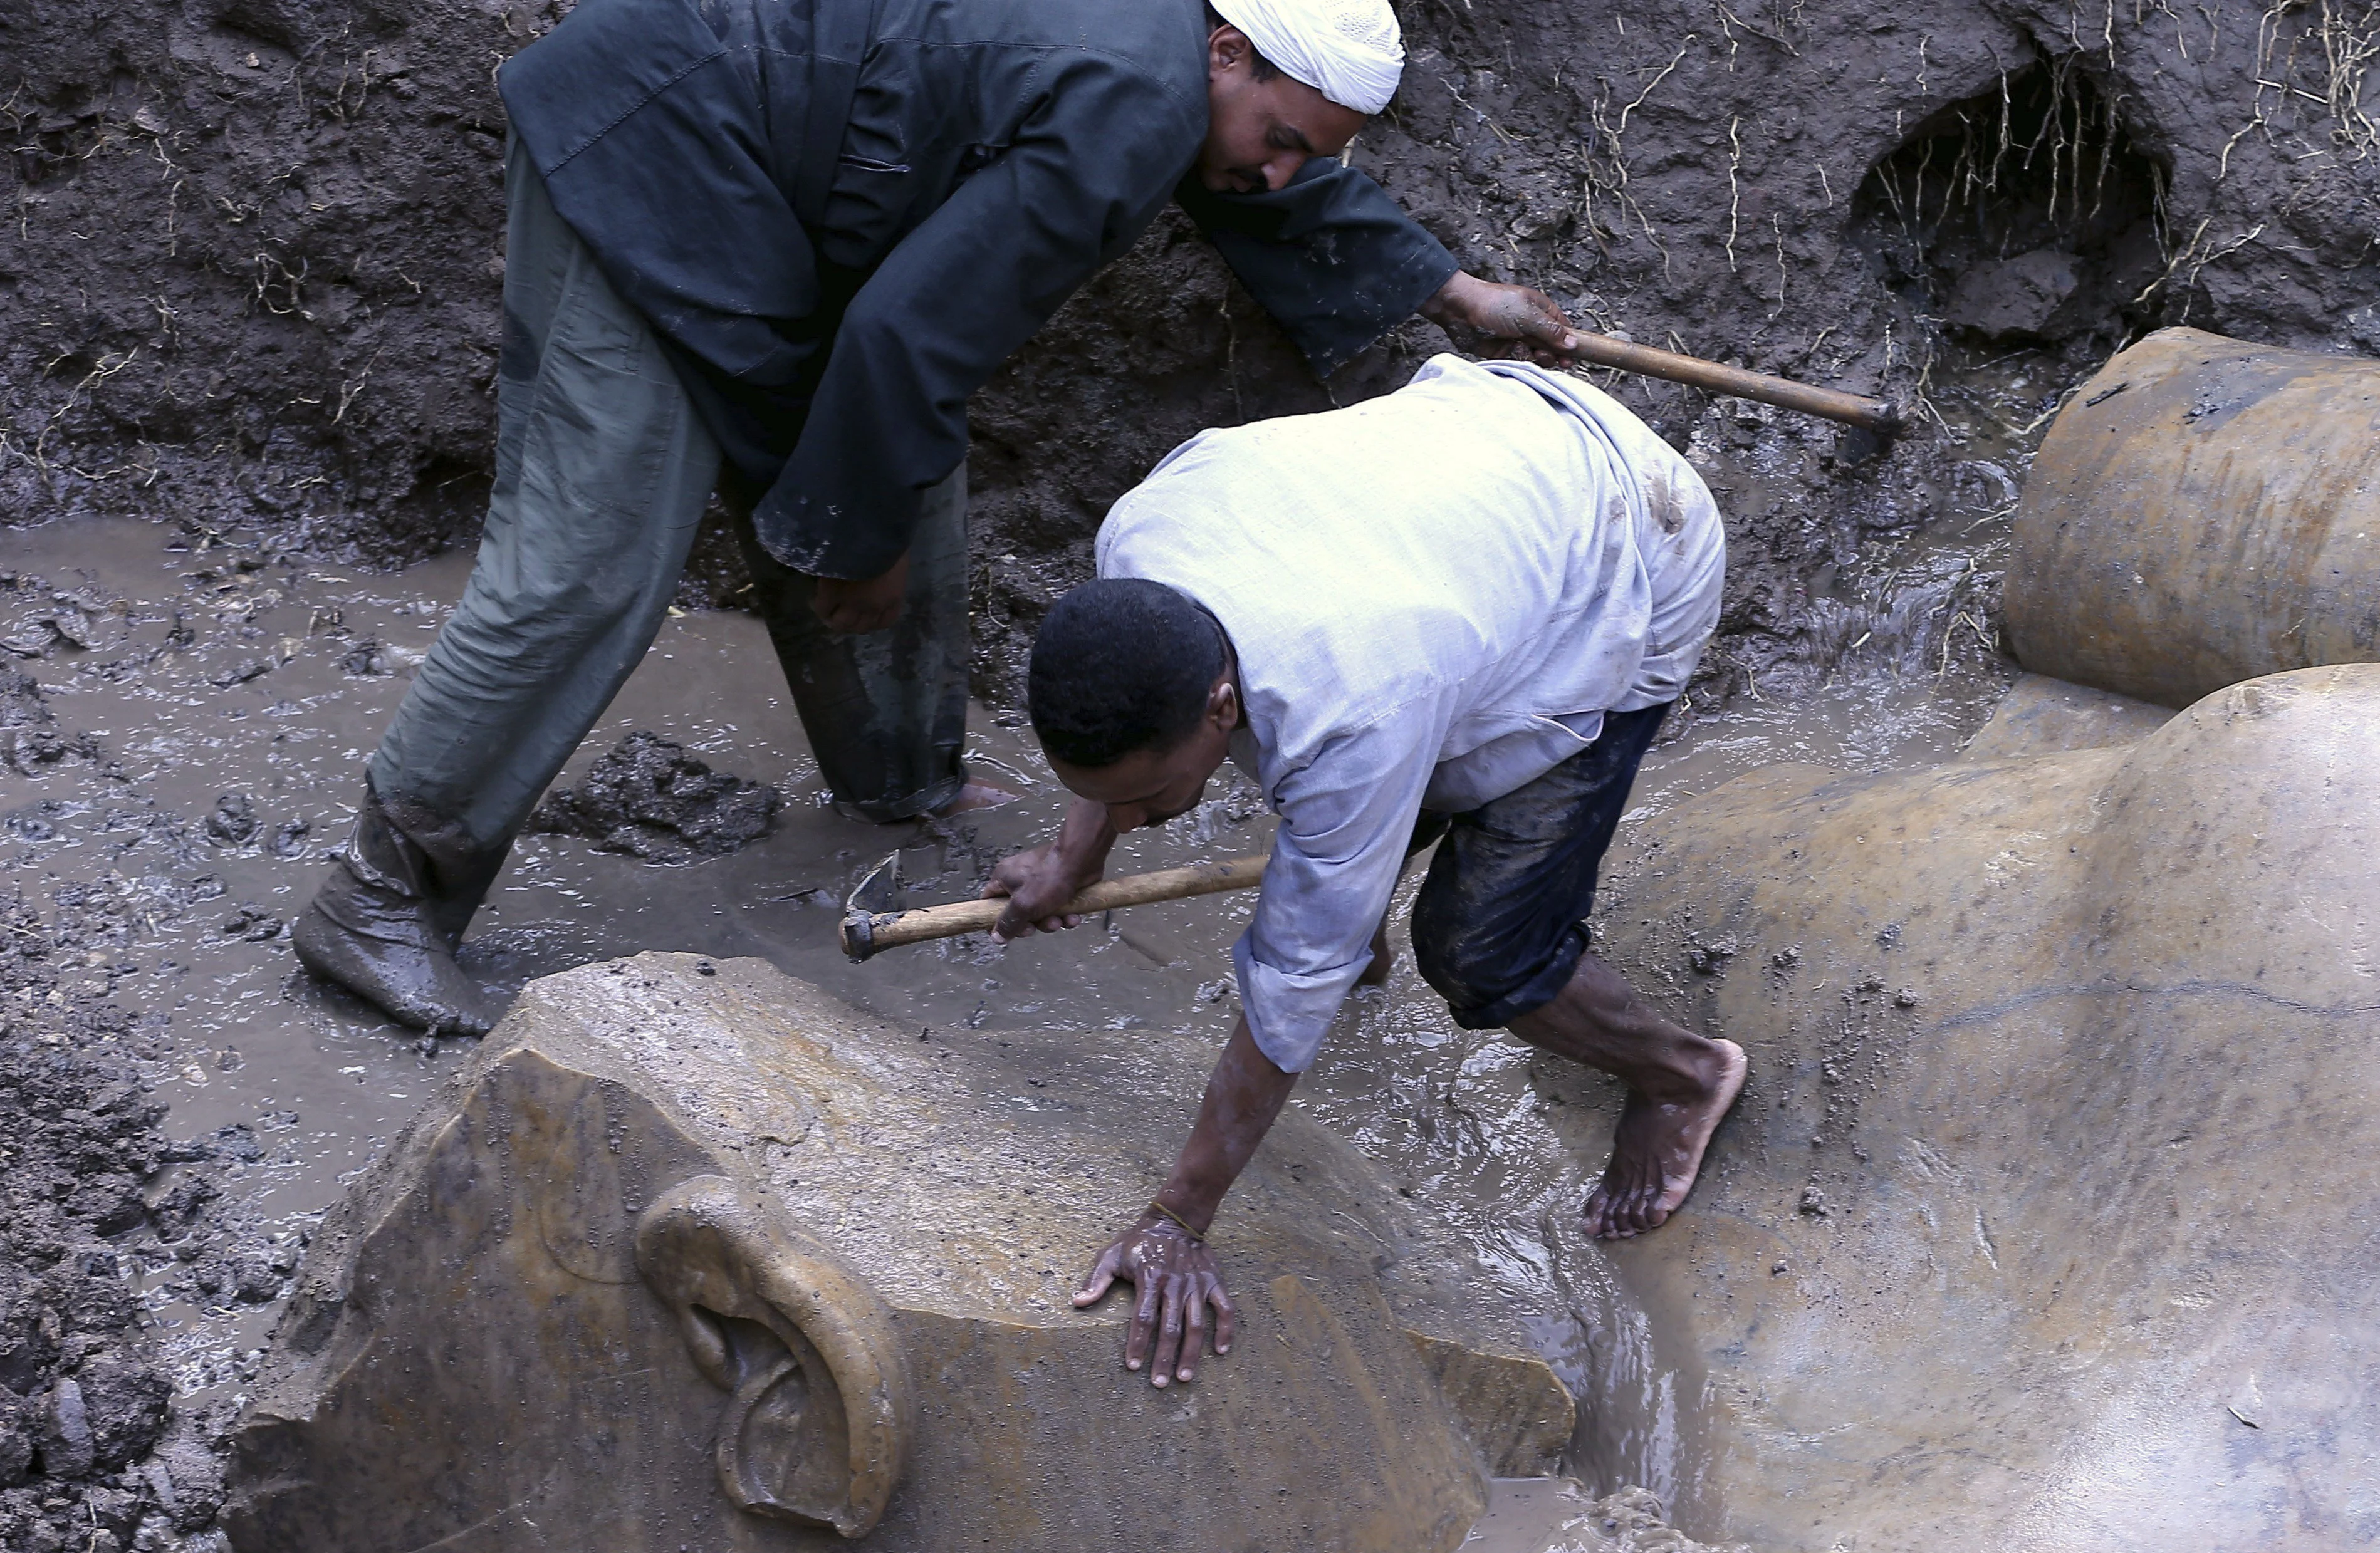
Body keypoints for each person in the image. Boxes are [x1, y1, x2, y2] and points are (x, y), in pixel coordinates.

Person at [294, 0, 1577, 1036]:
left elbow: (1259, 178)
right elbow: (908, 333)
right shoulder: (1138, 101)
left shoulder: (1170, 64)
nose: (1281, 170)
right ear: (1225, 51)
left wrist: (1452, 290)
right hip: (653, 146)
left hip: (768, 182)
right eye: (1284, 133)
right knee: (592, 563)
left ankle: (901, 783)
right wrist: (862, 542)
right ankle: (379, 903)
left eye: (1313, 152)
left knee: (896, 463)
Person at [989, 353, 1749, 1388]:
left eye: (1148, 800)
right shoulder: (1137, 549)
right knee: (1348, 829)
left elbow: (1290, 982)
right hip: (1477, 469)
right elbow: (1129, 715)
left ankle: (1682, 1075)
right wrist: (1075, 853)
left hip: (1629, 542)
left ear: (1220, 706)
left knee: (1481, 950)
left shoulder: (1356, 702)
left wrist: (1179, 1216)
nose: (1135, 820)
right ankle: (1355, 906)